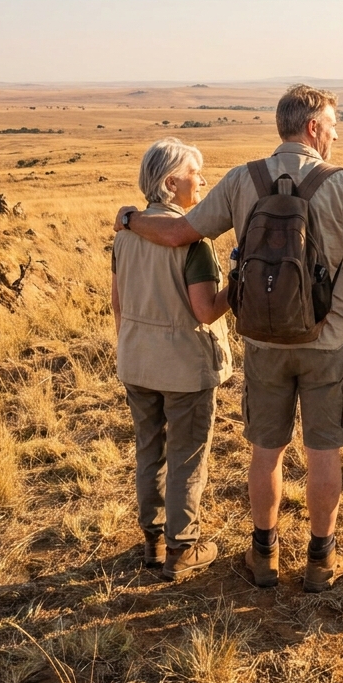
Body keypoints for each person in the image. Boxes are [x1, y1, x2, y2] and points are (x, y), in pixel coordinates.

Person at [114, 84, 343, 592]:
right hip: (326, 342)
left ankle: (263, 555)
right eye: (331, 125)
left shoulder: (244, 179)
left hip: (262, 341)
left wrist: (131, 218)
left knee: (267, 449)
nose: (334, 134)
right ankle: (320, 559)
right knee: (323, 450)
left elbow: (179, 233)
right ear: (312, 127)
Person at [111, 138, 231, 581]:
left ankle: (153, 542)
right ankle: (183, 550)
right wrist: (235, 284)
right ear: (171, 182)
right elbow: (205, 310)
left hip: (137, 359)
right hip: (184, 365)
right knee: (187, 455)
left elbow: (118, 305)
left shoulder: (124, 236)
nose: (202, 180)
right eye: (195, 173)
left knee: (149, 449)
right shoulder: (192, 240)